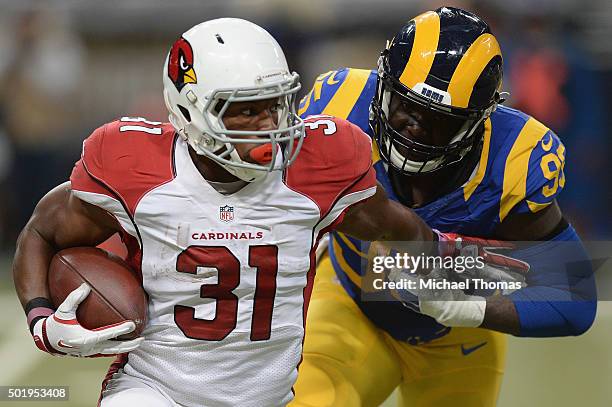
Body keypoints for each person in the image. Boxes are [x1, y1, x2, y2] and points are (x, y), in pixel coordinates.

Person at [11, 18, 492, 407]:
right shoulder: (136, 166)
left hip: (269, 397)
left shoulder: (315, 165)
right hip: (155, 389)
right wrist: (42, 321)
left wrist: (460, 274)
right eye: (245, 111)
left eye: (276, 106)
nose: (268, 127)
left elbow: (399, 228)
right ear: (190, 109)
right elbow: (41, 231)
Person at [292, 7, 596, 407]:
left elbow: (574, 300)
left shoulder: (512, 160)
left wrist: (462, 304)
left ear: (479, 122)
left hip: (457, 340)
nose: (414, 126)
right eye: (404, 105)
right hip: (349, 304)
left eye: (440, 119)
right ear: (382, 84)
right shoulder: (340, 105)